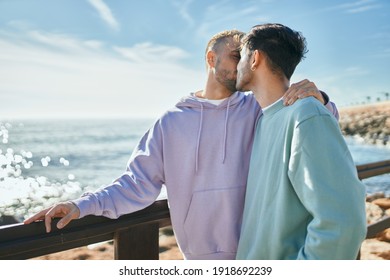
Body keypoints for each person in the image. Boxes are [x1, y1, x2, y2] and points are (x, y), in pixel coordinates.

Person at [24, 29, 338, 260]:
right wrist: (81, 205)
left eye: (245, 56)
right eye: (234, 55)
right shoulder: (171, 121)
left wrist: (319, 98)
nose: (244, 63)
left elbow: (318, 125)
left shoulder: (258, 107)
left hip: (258, 257)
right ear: (211, 58)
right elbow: (135, 184)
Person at [235, 23, 366, 260]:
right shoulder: (264, 120)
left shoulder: (306, 115)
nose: (237, 66)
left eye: (241, 57)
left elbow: (343, 222)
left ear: (255, 58)